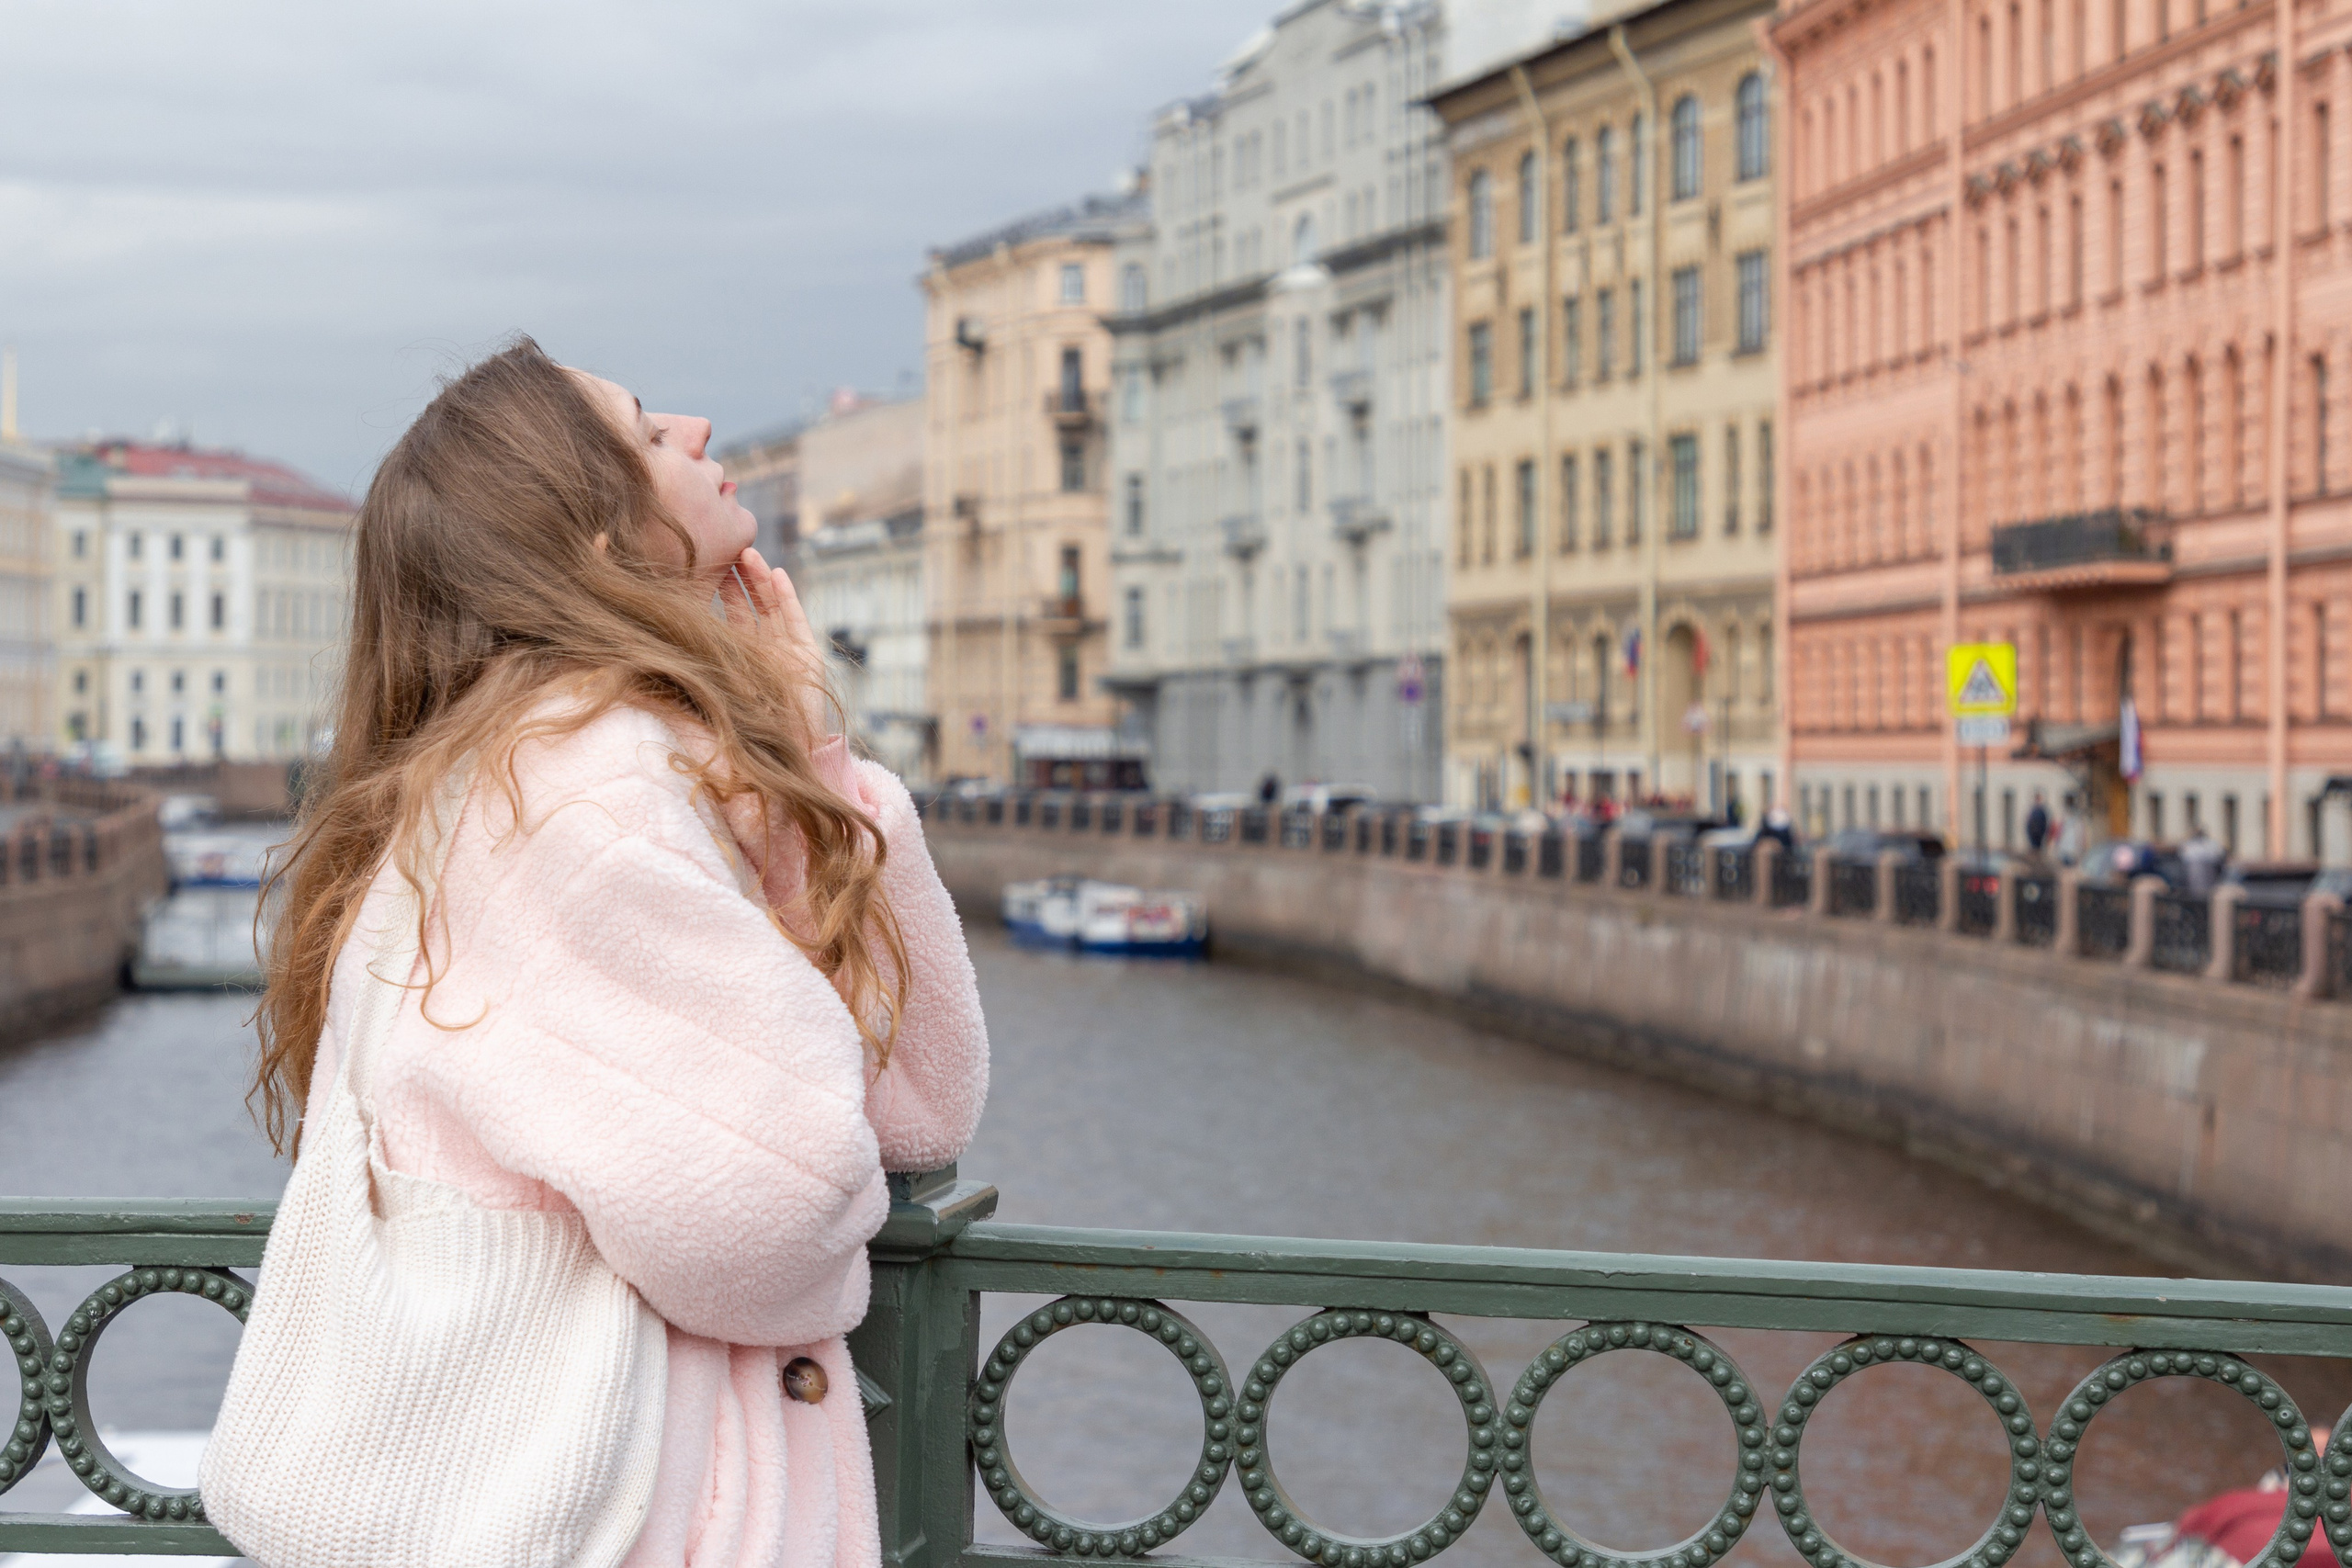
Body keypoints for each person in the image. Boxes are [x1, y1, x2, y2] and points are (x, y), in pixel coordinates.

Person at [232, 339, 989, 1568]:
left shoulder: (540, 776)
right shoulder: (583, 793)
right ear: (588, 534)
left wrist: (810, 769)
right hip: (641, 1522)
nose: (693, 424)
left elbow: (915, 1105)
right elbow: (778, 1213)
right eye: (644, 432)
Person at [2024, 790, 2051, 856]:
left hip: (2039, 835)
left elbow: (2044, 824)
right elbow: (2028, 823)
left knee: (2038, 851)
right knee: (2034, 850)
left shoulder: (2041, 811)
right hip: (2033, 835)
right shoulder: (2033, 811)